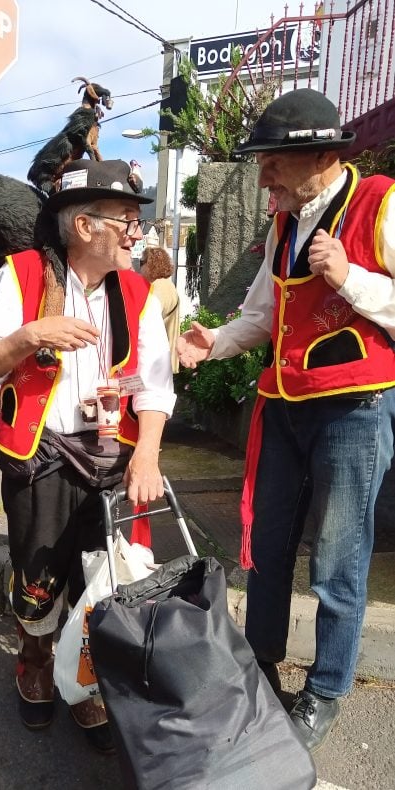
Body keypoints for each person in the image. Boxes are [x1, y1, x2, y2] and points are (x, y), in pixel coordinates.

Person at [177, 88, 395, 753]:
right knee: (264, 551)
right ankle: (261, 667)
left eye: (272, 161)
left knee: (337, 560)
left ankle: (325, 691)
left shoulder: (381, 201)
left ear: (320, 156)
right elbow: (259, 316)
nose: (263, 175)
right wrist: (209, 343)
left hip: (354, 410)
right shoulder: (282, 224)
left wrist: (350, 278)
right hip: (285, 407)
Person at [0, 159, 175, 752]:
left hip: (116, 456)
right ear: (84, 226)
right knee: (39, 576)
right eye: (128, 222)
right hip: (43, 456)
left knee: (106, 583)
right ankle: (34, 662)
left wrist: (149, 456)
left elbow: (156, 383)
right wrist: (32, 335)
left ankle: (86, 685)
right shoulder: (24, 274)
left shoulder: (136, 292)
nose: (138, 234)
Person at [139, 246, 180, 373]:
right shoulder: (168, 285)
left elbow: (144, 320)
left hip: (154, 363)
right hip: (164, 360)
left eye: (141, 262)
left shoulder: (157, 288)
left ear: (149, 264)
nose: (139, 267)